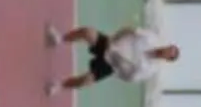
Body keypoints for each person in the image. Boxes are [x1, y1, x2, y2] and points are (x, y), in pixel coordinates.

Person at [50, 21, 181, 93]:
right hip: (110, 43)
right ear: (167, 46)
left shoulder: (150, 70)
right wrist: (113, 38)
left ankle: (60, 86)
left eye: (169, 54)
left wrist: (116, 69)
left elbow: (130, 78)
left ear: (167, 59)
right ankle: (60, 39)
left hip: (112, 65)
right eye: (169, 49)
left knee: (85, 80)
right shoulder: (151, 38)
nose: (166, 51)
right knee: (87, 32)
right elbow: (129, 30)